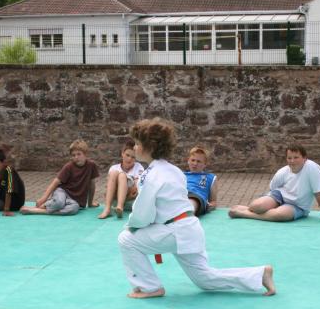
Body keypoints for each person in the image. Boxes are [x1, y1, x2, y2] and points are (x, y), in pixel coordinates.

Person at [118, 118, 275, 299]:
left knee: (126, 239)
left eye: (137, 144)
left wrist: (131, 226)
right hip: (190, 229)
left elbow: (143, 215)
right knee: (205, 279)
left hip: (174, 230)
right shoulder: (174, 170)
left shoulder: (150, 175)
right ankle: (260, 274)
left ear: (149, 147)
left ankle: (150, 287)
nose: (135, 148)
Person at [229, 144, 320, 223]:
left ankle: (243, 213)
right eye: (289, 158)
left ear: (304, 158)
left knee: (279, 215)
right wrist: (270, 204)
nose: (292, 161)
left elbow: (319, 194)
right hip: (280, 196)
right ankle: (249, 208)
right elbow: (272, 189)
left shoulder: (313, 169)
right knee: (256, 206)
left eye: (296, 157)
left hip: (298, 206)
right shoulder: (282, 171)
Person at [20, 139, 99, 215]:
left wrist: (90, 203)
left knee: (74, 208)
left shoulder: (91, 165)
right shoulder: (69, 166)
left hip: (75, 200)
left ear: (85, 154)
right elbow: (55, 182)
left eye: (79, 154)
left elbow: (92, 185)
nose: (76, 157)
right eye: (73, 155)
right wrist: (43, 198)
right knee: (59, 203)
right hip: (63, 192)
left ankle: (38, 210)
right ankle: (43, 205)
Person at [98, 139, 144, 219]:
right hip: (115, 201)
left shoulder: (138, 167)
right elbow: (109, 188)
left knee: (122, 176)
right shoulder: (114, 168)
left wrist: (130, 192)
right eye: (127, 155)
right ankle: (108, 208)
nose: (129, 159)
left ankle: (120, 206)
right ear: (122, 154)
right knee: (114, 173)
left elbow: (137, 189)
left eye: (133, 157)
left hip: (131, 201)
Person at [184, 146, 217, 216]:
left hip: (197, 198)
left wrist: (210, 206)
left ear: (205, 164)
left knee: (192, 201)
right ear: (188, 161)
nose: (195, 164)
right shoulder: (181, 175)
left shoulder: (210, 177)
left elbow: (213, 201)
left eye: (199, 161)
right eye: (193, 160)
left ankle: (187, 215)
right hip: (181, 195)